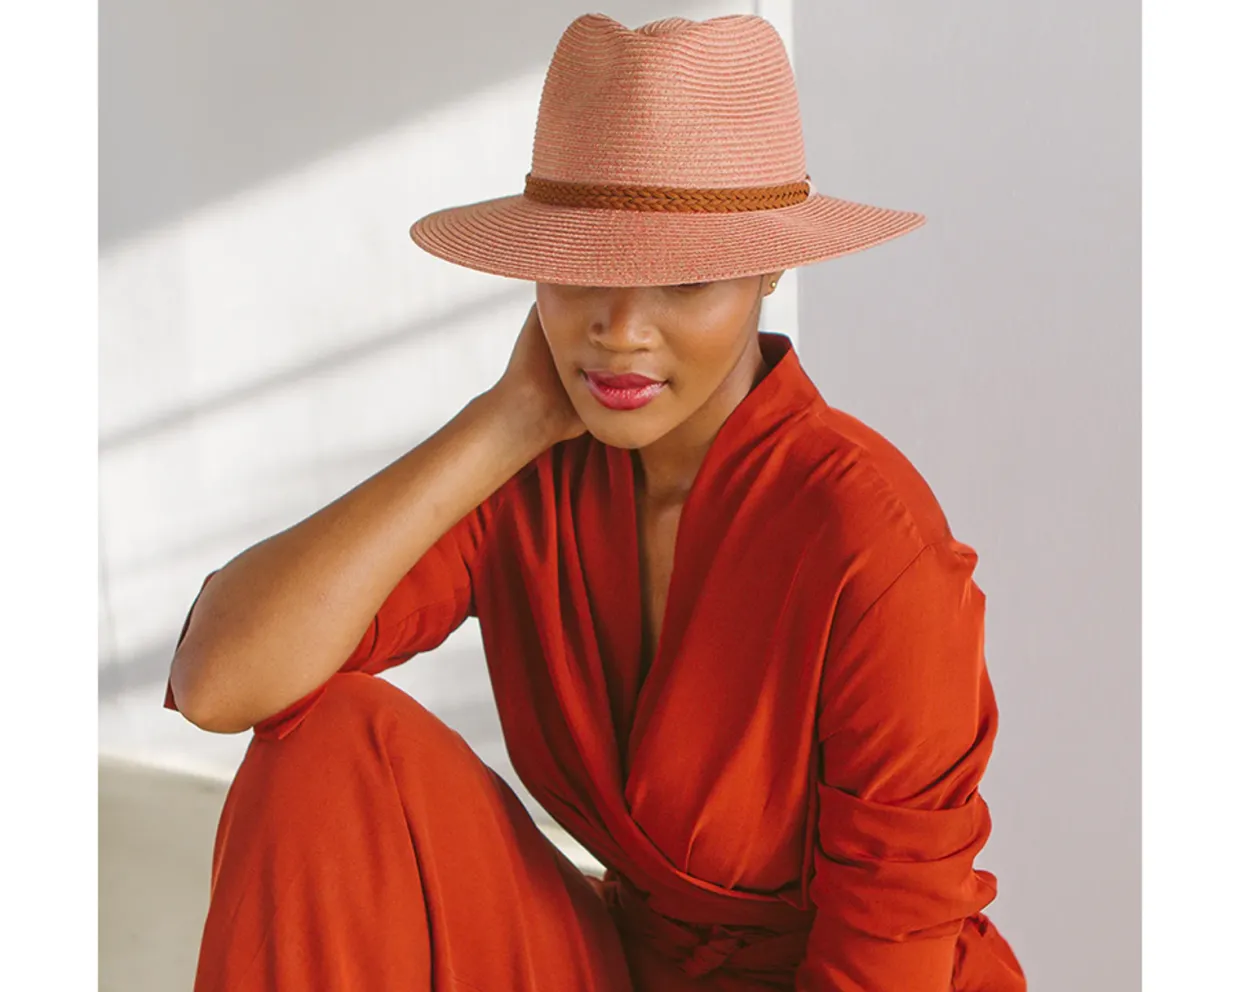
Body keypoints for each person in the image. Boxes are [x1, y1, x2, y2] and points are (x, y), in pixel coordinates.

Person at [164, 12, 1027, 991]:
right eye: (581, 268)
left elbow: (888, 955)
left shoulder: (871, 545)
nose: (619, 329)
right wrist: (505, 421)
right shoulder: (532, 476)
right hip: (619, 965)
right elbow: (223, 682)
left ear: (770, 268)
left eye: (683, 278)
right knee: (326, 744)